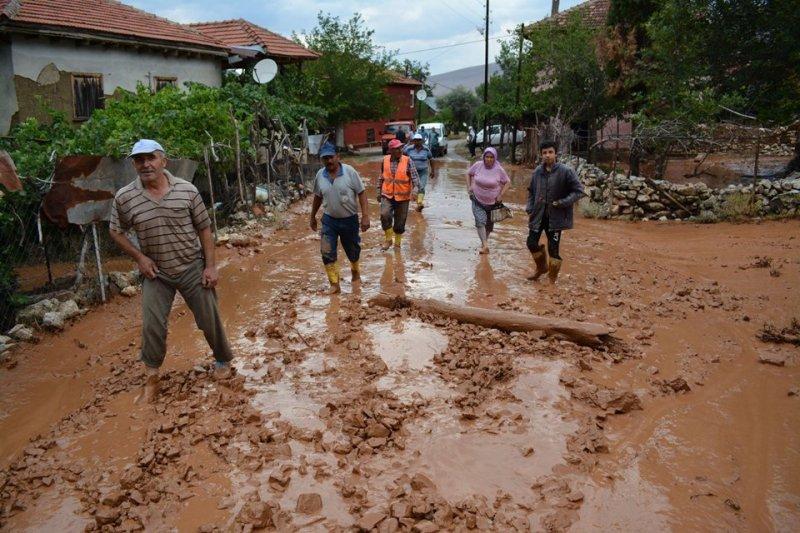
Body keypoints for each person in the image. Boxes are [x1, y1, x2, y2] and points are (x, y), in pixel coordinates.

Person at [108, 139, 233, 403]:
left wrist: (210, 266)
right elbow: (115, 231)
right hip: (156, 273)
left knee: (208, 317)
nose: (145, 164)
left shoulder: (186, 190)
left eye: (150, 158)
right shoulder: (125, 197)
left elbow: (204, 228)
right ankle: (151, 376)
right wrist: (139, 257)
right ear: (134, 164)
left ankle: (222, 360)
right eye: (139, 160)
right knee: (152, 325)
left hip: (191, 266)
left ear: (164, 161)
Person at [309, 142, 370, 294]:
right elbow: (317, 196)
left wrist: (365, 216)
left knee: (353, 251)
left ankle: (355, 271)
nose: (328, 161)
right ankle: (334, 284)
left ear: (338, 157)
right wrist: (312, 217)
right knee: (326, 251)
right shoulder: (320, 175)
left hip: (349, 219)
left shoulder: (350, 172)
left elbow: (362, 193)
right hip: (329, 220)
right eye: (325, 158)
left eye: (331, 157)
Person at [526, 140, 584, 283]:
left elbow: (579, 191)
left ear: (556, 153)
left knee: (553, 249)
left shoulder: (566, 171)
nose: (547, 155)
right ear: (541, 155)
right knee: (531, 243)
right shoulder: (537, 172)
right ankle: (541, 267)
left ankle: (552, 280)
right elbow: (531, 191)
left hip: (556, 218)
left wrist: (563, 202)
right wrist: (529, 207)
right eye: (544, 153)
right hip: (538, 215)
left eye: (550, 152)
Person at [378, 139, 420, 251]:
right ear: (390, 150)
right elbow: (381, 177)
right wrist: (379, 192)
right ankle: (388, 239)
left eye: (401, 148)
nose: (400, 150)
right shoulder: (385, 160)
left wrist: (415, 190)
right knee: (384, 214)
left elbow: (416, 178)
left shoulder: (408, 160)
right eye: (397, 148)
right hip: (387, 195)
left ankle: (397, 243)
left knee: (400, 221)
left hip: (403, 197)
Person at [468, 147, 510, 254]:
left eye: (491, 157)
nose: (489, 159)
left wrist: (501, 194)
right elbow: (468, 173)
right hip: (477, 199)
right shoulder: (478, 165)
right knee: (480, 221)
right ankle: (486, 245)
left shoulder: (499, 169)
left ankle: (484, 243)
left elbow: (507, 182)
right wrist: (469, 187)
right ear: (484, 157)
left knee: (489, 226)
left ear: (495, 158)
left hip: (493, 203)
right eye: (487, 157)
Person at [403, 133, 436, 211]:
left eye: (418, 140)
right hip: (411, 172)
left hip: (423, 171)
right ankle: (406, 203)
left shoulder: (426, 149)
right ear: (413, 141)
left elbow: (431, 159)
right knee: (410, 188)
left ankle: (419, 203)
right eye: (415, 140)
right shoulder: (408, 149)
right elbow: (403, 158)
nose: (417, 142)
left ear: (422, 141)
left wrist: (433, 171)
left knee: (421, 186)